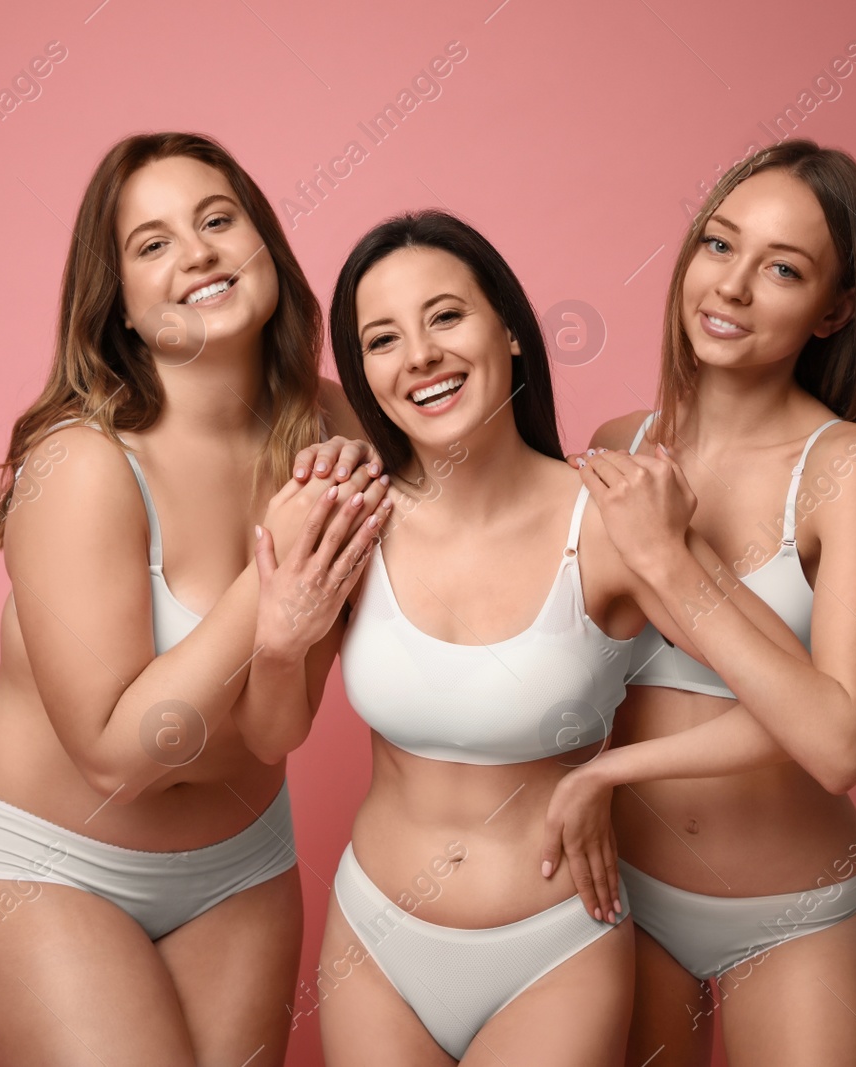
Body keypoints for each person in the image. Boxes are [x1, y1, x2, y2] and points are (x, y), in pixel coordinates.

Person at [240, 210, 809, 1065]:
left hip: (554, 953)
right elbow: (271, 734)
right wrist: (280, 641)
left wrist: (614, 770)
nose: (420, 355)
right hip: (375, 946)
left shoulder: (610, 521)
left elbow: (798, 705)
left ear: (507, 329)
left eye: (445, 316)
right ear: (364, 374)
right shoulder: (354, 520)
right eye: (382, 339)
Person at [0, 131, 383, 1067]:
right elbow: (112, 759)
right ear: (121, 309)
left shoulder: (334, 424)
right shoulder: (80, 465)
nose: (198, 253)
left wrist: (292, 631)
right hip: (43, 861)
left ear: (267, 248)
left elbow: (276, 731)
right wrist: (272, 574)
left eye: (218, 220)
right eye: (153, 244)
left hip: (241, 865)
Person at [541, 139, 856, 1065]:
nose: (733, 287)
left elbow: (838, 741)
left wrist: (672, 564)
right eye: (719, 246)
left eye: (782, 269)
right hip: (620, 897)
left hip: (791, 913)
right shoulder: (618, 442)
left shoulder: (846, 470)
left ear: (835, 310)